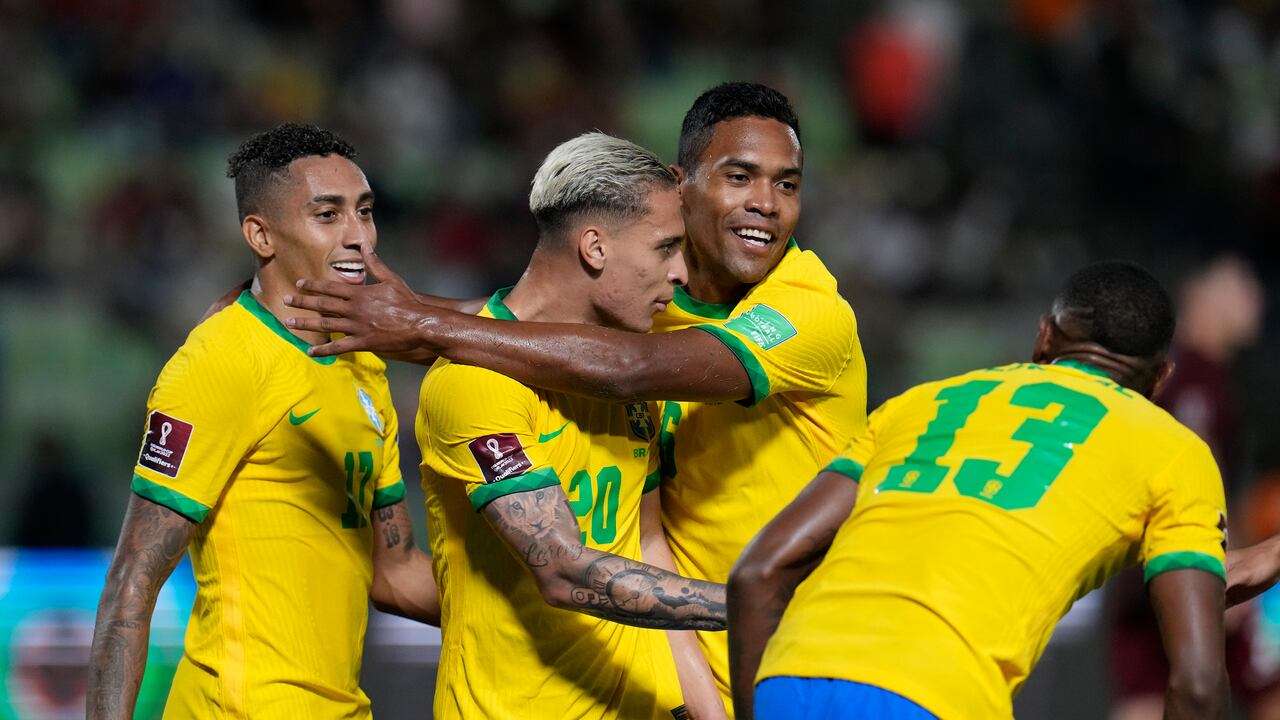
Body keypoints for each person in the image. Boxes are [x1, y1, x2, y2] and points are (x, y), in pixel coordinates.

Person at [284, 82, 867, 716]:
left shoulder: (806, 312)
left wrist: (422, 323)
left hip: (802, 658)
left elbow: (629, 368)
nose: (766, 203)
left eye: (788, 184)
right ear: (682, 187)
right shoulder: (642, 311)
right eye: (740, 176)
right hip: (692, 668)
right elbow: (533, 328)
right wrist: (283, 303)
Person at [728, 261, 1229, 720]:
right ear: (1161, 379)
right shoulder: (1176, 452)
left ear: (1044, 336)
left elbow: (758, 572)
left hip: (790, 677)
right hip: (936, 695)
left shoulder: (919, 403)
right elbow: (1198, 685)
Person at [86, 123, 438, 720]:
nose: (359, 237)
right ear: (261, 235)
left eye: (365, 211)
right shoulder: (220, 362)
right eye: (328, 215)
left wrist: (531, 608)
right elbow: (132, 580)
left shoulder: (364, 366)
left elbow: (396, 573)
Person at [417, 132, 727, 719]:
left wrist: (708, 714)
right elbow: (562, 569)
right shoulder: (472, 383)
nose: (682, 272)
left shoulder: (626, 378)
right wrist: (751, 601)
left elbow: (647, 544)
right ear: (595, 247)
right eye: (666, 247)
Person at [1107, 254, 1268, 720]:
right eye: (1240, 291)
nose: (1255, 303)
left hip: (1144, 567)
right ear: (1201, 300)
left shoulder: (1180, 373)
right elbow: (1198, 469)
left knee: (1146, 697)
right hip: (1193, 565)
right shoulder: (1197, 377)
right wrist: (1225, 560)